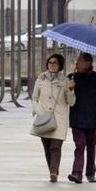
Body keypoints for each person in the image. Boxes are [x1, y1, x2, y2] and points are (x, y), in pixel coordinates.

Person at [30, 53, 76, 183]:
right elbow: (34, 98)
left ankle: (54, 171)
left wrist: (71, 89)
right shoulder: (41, 79)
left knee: (55, 146)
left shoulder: (65, 81)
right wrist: (39, 111)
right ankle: (52, 169)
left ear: (60, 65)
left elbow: (71, 102)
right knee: (47, 147)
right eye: (50, 63)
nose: (52, 65)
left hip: (59, 118)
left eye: (55, 63)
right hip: (44, 118)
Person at [67, 52, 96, 184]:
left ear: (88, 63)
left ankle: (90, 172)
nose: (76, 63)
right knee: (80, 145)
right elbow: (65, 98)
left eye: (79, 61)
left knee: (91, 146)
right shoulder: (71, 78)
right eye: (76, 61)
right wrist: (70, 88)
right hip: (77, 118)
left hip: (93, 119)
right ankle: (77, 173)